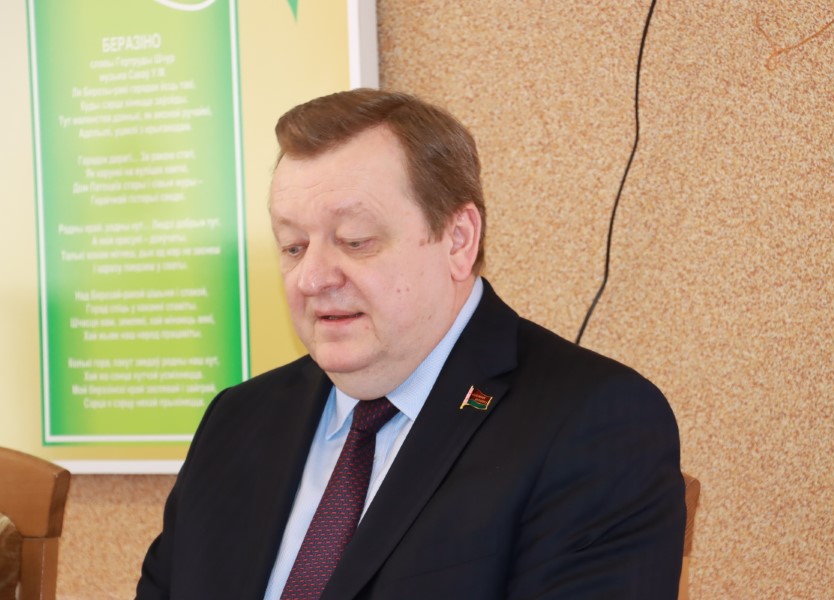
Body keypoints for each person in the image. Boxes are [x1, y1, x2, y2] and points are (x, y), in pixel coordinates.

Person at [137, 88, 685, 599]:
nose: (313, 278)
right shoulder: (237, 420)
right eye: (293, 246)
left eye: (356, 241)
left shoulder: (594, 422)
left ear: (458, 240)